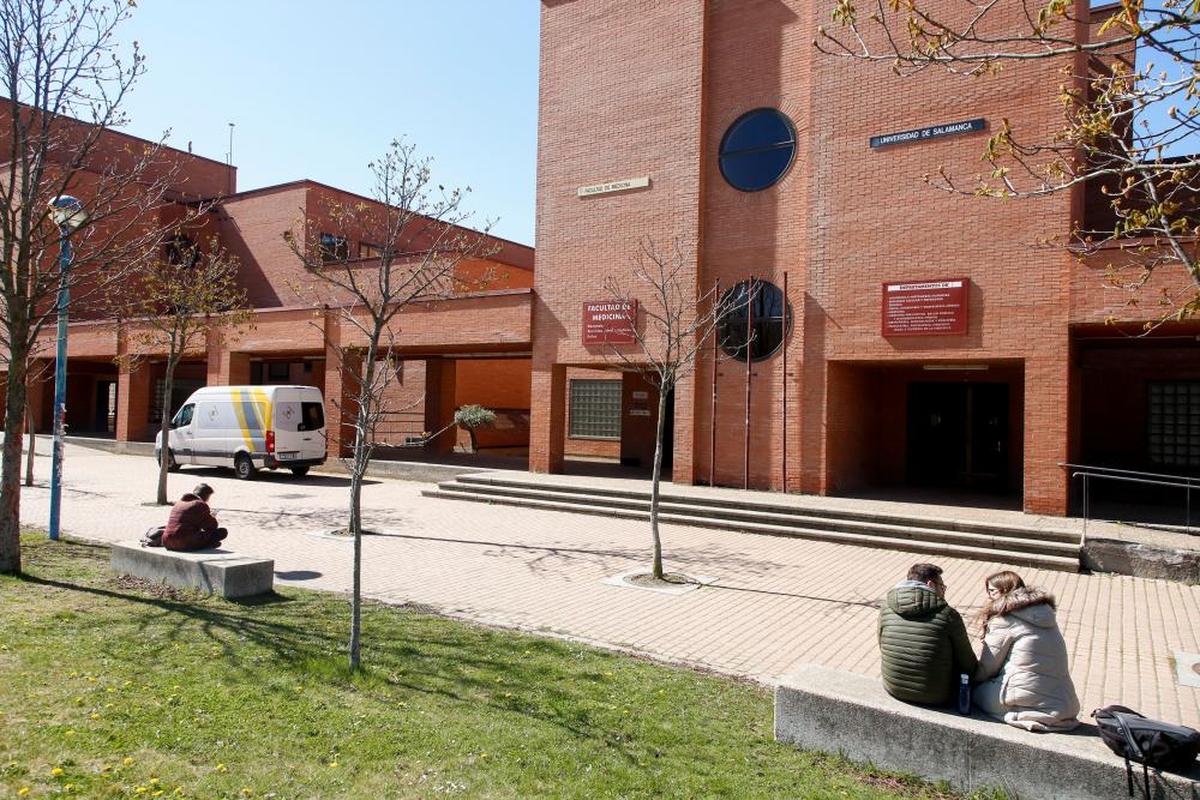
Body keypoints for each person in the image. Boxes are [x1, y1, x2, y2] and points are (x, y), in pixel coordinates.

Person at [973, 570, 1080, 732]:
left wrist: (969, 679)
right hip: (1066, 702)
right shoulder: (1044, 615)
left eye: (992, 592)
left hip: (1025, 698)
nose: (989, 597)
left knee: (973, 693)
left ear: (1005, 591)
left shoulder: (1005, 618)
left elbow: (987, 668)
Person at [878, 563, 978, 706]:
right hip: (935, 695)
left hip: (893, 687)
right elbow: (967, 662)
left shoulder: (886, 606)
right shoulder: (948, 614)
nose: (943, 592)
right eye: (942, 587)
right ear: (931, 584)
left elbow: (882, 643)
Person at [162, 483, 228, 552]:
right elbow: (212, 526)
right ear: (206, 496)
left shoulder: (179, 503)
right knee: (222, 532)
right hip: (184, 542)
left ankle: (208, 544)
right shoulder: (200, 504)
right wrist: (211, 517)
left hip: (167, 541)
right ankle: (207, 545)